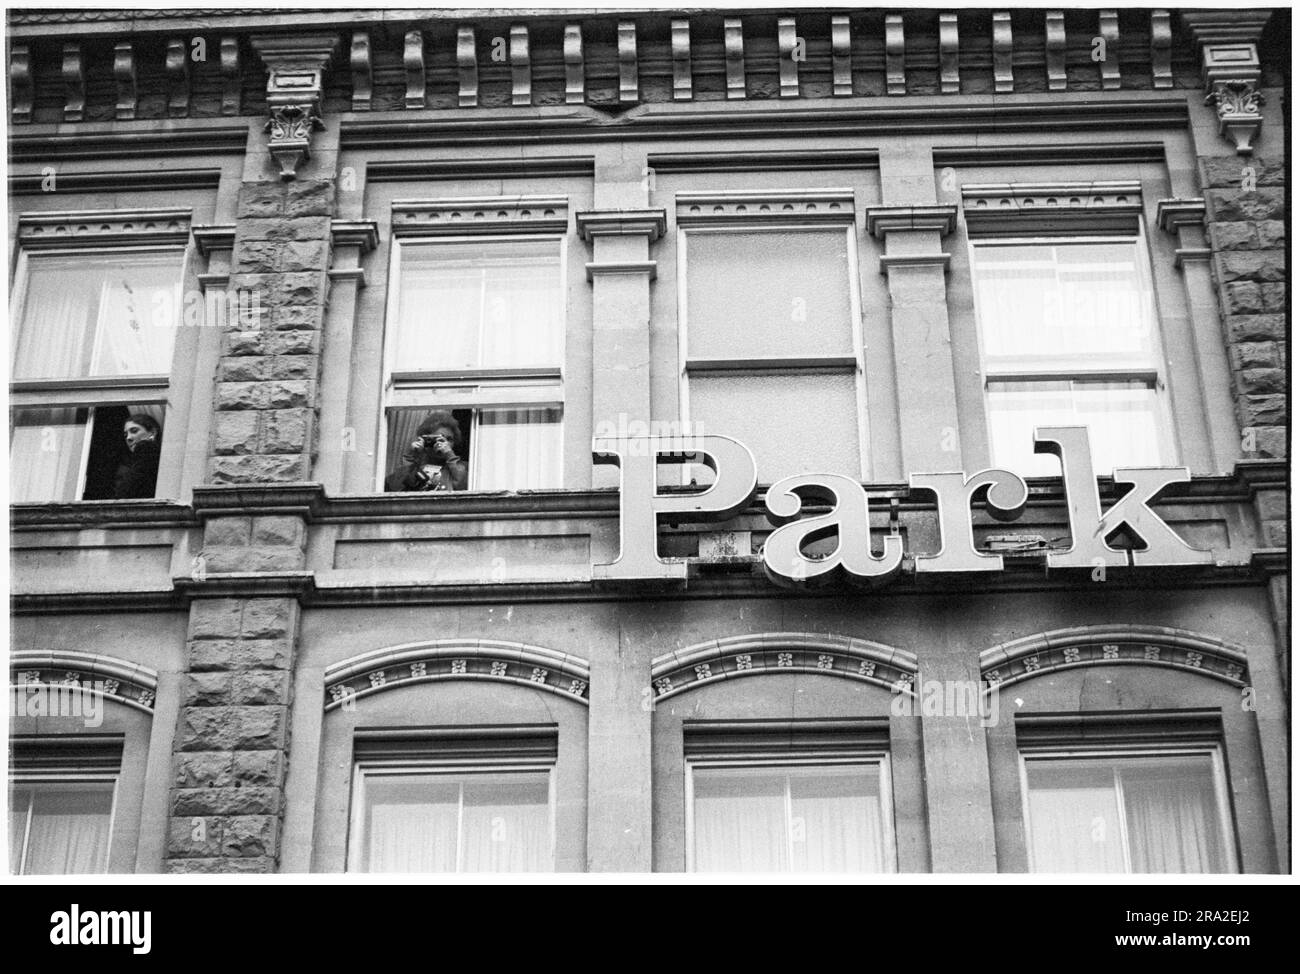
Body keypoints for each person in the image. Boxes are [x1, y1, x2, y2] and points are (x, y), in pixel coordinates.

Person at [384, 411, 469, 492]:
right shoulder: (414, 467)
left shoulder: (460, 467)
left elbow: (465, 487)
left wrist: (449, 455)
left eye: (449, 439)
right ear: (426, 439)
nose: (444, 443)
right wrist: (410, 457)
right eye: (438, 438)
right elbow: (393, 486)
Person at [113, 414, 162, 499]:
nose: (128, 438)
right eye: (125, 435)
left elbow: (127, 492)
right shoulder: (129, 462)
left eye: (134, 431)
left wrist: (144, 446)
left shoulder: (150, 453)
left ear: (153, 432)